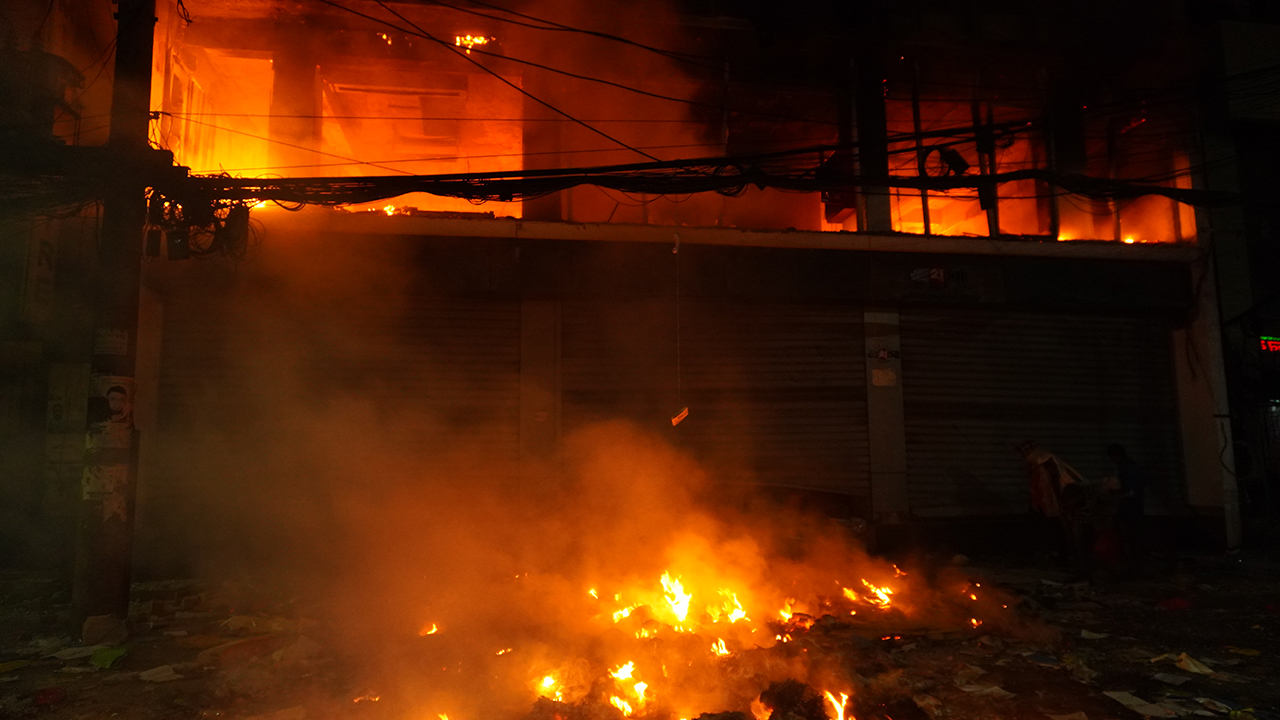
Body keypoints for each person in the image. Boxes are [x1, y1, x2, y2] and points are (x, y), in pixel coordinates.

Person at [1016, 440, 1094, 580]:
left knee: (1071, 535)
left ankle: (1077, 564)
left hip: (1061, 506)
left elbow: (1053, 486)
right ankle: (1069, 561)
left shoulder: (1046, 463)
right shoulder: (1037, 466)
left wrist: (1057, 504)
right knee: (1059, 533)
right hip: (1050, 506)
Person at [1106, 443, 1146, 577]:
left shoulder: (1129, 468)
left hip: (1131, 510)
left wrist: (1116, 494)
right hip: (1129, 509)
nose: (1112, 460)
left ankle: (1135, 569)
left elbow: (1134, 491)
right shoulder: (1126, 467)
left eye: (1112, 457)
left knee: (1131, 540)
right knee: (1128, 540)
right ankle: (1134, 568)